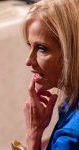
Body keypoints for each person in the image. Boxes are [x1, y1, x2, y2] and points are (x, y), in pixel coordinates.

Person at [22, 0, 79, 149]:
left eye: (42, 48)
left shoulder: (70, 137)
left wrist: (33, 135)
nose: (29, 61)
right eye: (30, 45)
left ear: (72, 51)